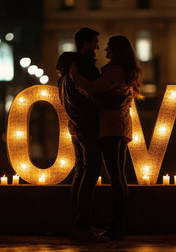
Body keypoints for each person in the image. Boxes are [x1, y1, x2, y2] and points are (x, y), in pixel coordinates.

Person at [70, 35, 143, 240]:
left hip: (110, 129)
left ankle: (117, 226)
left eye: (109, 48)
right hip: (122, 128)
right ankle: (119, 225)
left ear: (116, 50)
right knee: (120, 178)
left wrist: (75, 74)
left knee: (117, 178)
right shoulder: (126, 71)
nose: (104, 51)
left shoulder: (114, 71)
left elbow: (92, 88)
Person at [56, 27, 108, 243]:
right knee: (91, 171)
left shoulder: (67, 68)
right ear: (85, 43)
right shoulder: (84, 67)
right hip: (87, 124)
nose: (97, 46)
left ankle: (79, 223)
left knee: (80, 171)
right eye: (94, 42)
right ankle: (81, 225)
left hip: (74, 125)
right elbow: (97, 92)